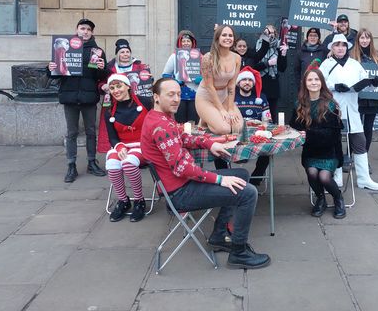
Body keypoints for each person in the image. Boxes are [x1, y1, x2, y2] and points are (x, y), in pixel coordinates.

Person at [141, 77, 271, 269]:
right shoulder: (160, 126)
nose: (176, 99)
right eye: (171, 94)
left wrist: (211, 143)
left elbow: (183, 136)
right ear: (156, 97)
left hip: (179, 185)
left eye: (178, 94)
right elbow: (183, 168)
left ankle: (219, 235)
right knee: (248, 193)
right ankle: (239, 253)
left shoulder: (161, 118)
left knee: (241, 175)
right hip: (180, 193)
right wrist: (219, 179)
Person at [319, 34, 378, 191]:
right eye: (337, 45)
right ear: (332, 48)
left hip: (353, 110)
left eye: (343, 45)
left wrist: (373, 83)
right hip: (333, 110)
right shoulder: (326, 64)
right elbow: (317, 82)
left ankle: (364, 178)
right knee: (335, 144)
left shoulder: (355, 64)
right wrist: (334, 86)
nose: (340, 48)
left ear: (347, 47)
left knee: (359, 142)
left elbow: (364, 82)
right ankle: (337, 176)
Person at [47, 18, 108, 183]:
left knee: (90, 132)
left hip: (89, 97)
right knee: (72, 133)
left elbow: (102, 77)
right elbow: (56, 74)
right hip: (70, 96)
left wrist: (103, 69)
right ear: (77, 30)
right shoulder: (63, 48)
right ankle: (71, 165)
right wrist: (50, 69)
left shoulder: (97, 51)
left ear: (92, 32)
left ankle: (91, 162)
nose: (85, 31)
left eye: (88, 29)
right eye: (82, 28)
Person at [290, 68, 346, 219]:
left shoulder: (330, 105)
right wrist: (300, 130)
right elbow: (294, 126)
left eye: (316, 79)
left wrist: (307, 133)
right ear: (305, 83)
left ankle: (338, 198)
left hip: (330, 150)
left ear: (321, 82)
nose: (313, 82)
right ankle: (320, 199)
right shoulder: (300, 104)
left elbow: (330, 134)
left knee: (324, 177)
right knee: (312, 172)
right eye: (310, 80)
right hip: (311, 151)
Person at [104, 74, 153, 222]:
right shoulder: (109, 111)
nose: (115, 90)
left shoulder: (145, 102)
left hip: (144, 145)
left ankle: (139, 200)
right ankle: (123, 201)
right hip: (123, 146)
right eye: (112, 88)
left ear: (128, 86)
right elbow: (112, 137)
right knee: (112, 164)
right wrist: (118, 147)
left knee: (128, 163)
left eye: (119, 86)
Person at [97, 38, 150, 154]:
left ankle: (142, 149)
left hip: (136, 102)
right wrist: (103, 86)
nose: (125, 54)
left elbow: (147, 82)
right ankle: (117, 148)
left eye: (127, 52)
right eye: (122, 52)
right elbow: (101, 82)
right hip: (115, 102)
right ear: (117, 54)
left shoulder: (140, 66)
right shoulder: (110, 68)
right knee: (114, 127)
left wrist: (149, 78)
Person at [195, 25, 243, 135]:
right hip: (206, 97)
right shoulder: (208, 58)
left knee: (237, 127)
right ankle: (206, 119)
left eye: (230, 35)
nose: (228, 38)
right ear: (218, 38)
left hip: (224, 96)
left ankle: (210, 118)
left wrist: (230, 108)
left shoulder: (237, 58)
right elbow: (209, 87)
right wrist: (221, 110)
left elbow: (231, 85)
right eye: (224, 35)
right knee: (224, 129)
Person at [234, 66, 272, 186]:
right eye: (244, 80)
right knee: (218, 153)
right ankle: (226, 177)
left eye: (250, 80)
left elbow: (267, 118)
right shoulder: (231, 98)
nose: (247, 82)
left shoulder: (261, 98)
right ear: (239, 82)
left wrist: (264, 123)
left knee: (268, 151)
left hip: (256, 135)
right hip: (235, 135)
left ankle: (256, 179)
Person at [350, 28, 378, 156]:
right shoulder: (352, 55)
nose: (365, 40)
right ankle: (352, 155)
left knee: (368, 129)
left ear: (371, 40)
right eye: (362, 38)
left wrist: (377, 81)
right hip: (358, 98)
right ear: (358, 40)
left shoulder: (376, 54)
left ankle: (364, 157)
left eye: (367, 38)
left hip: (373, 99)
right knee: (355, 129)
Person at [162, 30, 202, 124]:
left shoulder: (200, 56)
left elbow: (207, 74)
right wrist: (175, 81)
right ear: (180, 42)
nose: (186, 43)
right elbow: (165, 74)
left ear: (192, 43)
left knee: (194, 123)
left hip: (195, 95)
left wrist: (201, 79)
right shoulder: (173, 57)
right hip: (179, 95)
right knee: (180, 122)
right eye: (183, 41)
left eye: (188, 41)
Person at [252, 24, 287, 123]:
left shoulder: (278, 47)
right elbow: (254, 66)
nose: (270, 35)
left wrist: (283, 56)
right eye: (267, 33)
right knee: (258, 113)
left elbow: (282, 68)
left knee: (272, 115)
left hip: (273, 85)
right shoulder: (257, 47)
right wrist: (268, 63)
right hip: (260, 84)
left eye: (272, 33)